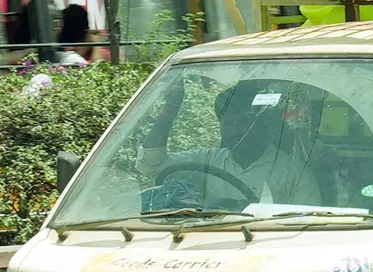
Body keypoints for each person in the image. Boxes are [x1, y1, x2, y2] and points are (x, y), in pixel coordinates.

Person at [136, 78, 324, 212]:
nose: (234, 132)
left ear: (263, 126)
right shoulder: (207, 161)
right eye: (228, 124)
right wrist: (170, 107)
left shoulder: (293, 172)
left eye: (242, 124)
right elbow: (149, 164)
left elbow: (308, 225)